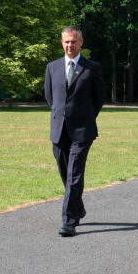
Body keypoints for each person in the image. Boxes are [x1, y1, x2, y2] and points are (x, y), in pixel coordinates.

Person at [44, 26, 105, 237]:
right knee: (65, 173)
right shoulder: (52, 68)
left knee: (74, 175)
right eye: (66, 42)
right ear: (62, 43)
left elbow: (99, 98)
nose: (70, 45)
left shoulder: (92, 68)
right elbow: (50, 97)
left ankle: (69, 221)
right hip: (59, 130)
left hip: (82, 131)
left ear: (81, 43)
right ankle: (77, 207)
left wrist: (85, 117)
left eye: (74, 42)